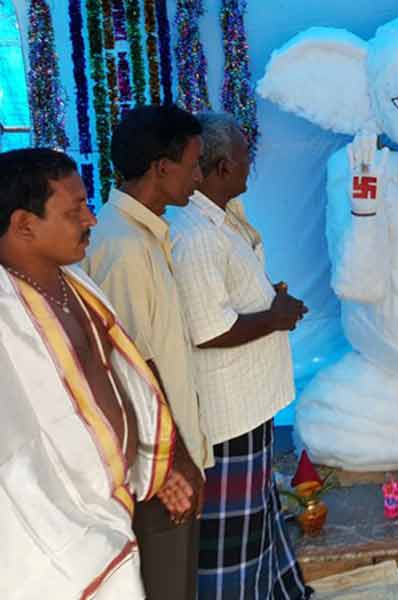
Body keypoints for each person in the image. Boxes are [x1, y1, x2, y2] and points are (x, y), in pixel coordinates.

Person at [0, 148, 186, 598]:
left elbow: (119, 378)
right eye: (75, 210)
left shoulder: (75, 283)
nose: (92, 219)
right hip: (57, 532)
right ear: (25, 225)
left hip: (115, 504)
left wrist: (156, 462)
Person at [167, 112, 312, 599]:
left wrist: (270, 299)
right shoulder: (195, 235)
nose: (253, 166)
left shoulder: (220, 217)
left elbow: (224, 298)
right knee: (235, 539)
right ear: (224, 166)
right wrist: (275, 316)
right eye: (248, 156)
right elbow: (209, 330)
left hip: (249, 402)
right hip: (227, 415)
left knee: (259, 518)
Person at [83, 105, 212, 600]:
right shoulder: (125, 248)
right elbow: (135, 370)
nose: (198, 176)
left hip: (167, 456)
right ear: (162, 168)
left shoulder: (144, 236)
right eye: (193, 164)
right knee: (166, 586)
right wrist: (176, 460)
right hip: (157, 468)